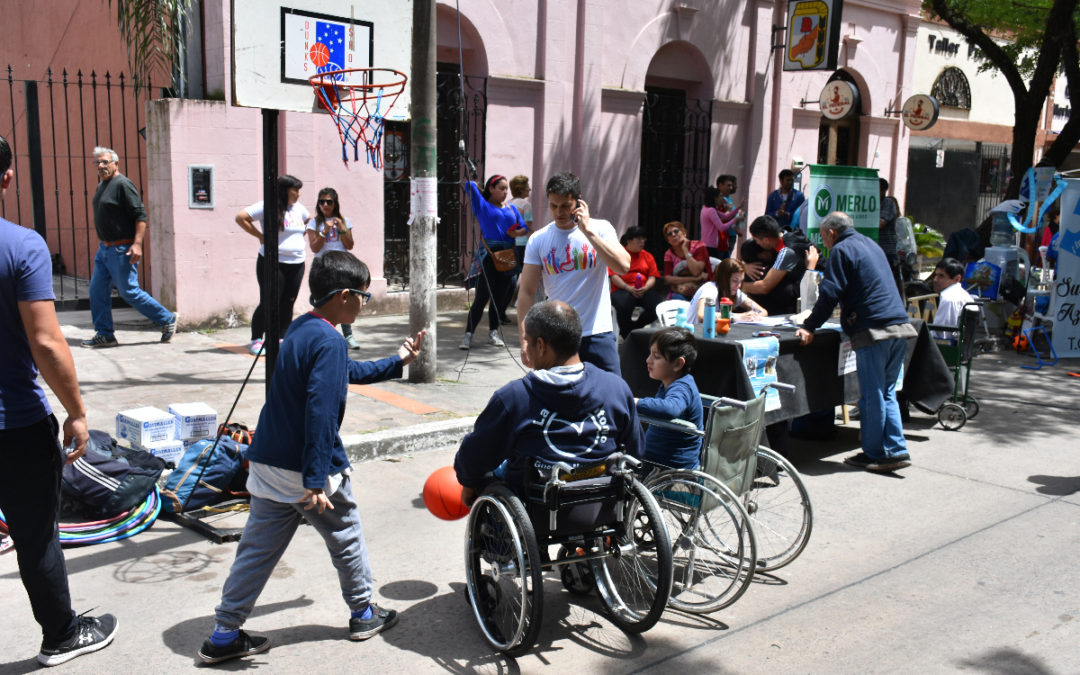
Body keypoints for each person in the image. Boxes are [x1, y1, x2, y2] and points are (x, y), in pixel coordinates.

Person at [198, 251, 424, 665]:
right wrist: (316, 478)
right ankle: (363, 613)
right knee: (346, 536)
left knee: (256, 551)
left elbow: (344, 374)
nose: (364, 304)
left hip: (267, 461)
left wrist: (399, 362)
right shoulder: (330, 339)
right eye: (363, 296)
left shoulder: (303, 328)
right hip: (306, 470)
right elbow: (320, 412)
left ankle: (224, 634)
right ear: (343, 296)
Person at [0, 134, 118, 666]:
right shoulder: (21, 246)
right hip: (16, 424)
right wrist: (76, 411)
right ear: (7, 179)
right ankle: (62, 634)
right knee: (34, 533)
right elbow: (46, 341)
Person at [454, 300, 642, 502]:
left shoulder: (515, 397)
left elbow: (473, 459)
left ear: (541, 345)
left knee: (478, 479)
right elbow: (636, 451)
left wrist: (468, 482)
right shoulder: (616, 388)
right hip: (601, 506)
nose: (526, 351)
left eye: (527, 341)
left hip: (536, 510)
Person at [796, 211, 916, 472]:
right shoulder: (870, 244)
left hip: (873, 329)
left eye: (824, 237)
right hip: (899, 325)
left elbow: (830, 293)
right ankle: (895, 449)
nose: (824, 244)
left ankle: (875, 453)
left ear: (831, 233)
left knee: (872, 395)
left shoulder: (841, 249)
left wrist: (809, 325)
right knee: (886, 393)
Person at [516, 172, 630, 373]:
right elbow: (526, 291)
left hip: (597, 333)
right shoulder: (539, 239)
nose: (559, 212)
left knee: (613, 398)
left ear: (578, 203)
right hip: (557, 336)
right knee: (556, 400)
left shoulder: (601, 229)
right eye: (553, 205)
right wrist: (525, 337)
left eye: (565, 206)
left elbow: (623, 266)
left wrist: (588, 231)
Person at [81, 146, 176, 348]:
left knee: (129, 291)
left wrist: (137, 244)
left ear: (116, 163)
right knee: (97, 290)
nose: (100, 166)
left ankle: (166, 318)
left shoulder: (123, 184)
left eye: (105, 162)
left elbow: (140, 215)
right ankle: (105, 334)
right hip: (104, 249)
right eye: (97, 162)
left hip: (121, 248)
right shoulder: (101, 186)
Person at [236, 174, 311, 355]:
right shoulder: (267, 206)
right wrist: (260, 237)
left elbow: (309, 221)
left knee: (288, 302)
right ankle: (256, 339)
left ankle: (280, 338)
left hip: (296, 263)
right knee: (269, 301)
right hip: (272, 262)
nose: (299, 194)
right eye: (295, 190)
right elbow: (241, 218)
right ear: (285, 191)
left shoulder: (299, 209)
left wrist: (297, 241)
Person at [460, 175, 528, 350]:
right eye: (501, 188)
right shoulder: (483, 206)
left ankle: (493, 333)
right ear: (491, 189)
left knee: (499, 298)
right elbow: (468, 185)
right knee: (482, 297)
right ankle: (468, 335)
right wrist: (477, 183)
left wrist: (517, 233)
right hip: (490, 256)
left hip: (508, 255)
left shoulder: (512, 209)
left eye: (506, 189)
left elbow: (524, 227)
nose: (505, 192)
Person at [635, 327, 703, 470]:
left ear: (678, 364)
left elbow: (670, 408)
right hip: (656, 458)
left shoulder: (682, 387)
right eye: (650, 354)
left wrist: (637, 403)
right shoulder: (673, 383)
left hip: (667, 466)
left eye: (656, 357)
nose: (648, 360)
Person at [307, 187, 359, 349]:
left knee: (343, 299)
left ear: (335, 203)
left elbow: (350, 245)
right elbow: (314, 248)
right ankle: (323, 334)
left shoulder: (344, 221)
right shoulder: (314, 223)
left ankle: (348, 335)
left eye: (328, 201)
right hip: (322, 266)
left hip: (341, 264)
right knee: (322, 300)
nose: (325, 205)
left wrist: (341, 227)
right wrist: (325, 231)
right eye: (321, 202)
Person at [741, 215, 818, 315]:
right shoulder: (781, 236)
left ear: (766, 240)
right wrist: (744, 267)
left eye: (757, 241)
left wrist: (738, 286)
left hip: (812, 291)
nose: (757, 244)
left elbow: (765, 287)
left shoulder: (788, 251)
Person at [609, 226, 665, 338]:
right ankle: (627, 335)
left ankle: (633, 329)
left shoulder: (647, 256)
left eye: (643, 239)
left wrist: (646, 288)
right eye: (638, 239)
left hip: (644, 290)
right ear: (629, 241)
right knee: (624, 306)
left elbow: (652, 277)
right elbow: (614, 276)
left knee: (657, 306)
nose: (642, 242)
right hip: (622, 289)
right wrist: (628, 288)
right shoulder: (618, 254)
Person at [687, 258, 767, 325]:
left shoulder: (735, 292)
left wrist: (754, 316)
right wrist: (738, 317)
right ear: (723, 279)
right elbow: (702, 316)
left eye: (741, 281)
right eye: (735, 281)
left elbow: (763, 311)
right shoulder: (710, 289)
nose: (739, 285)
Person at [661, 221, 712, 301]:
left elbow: (696, 271)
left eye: (676, 231)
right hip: (680, 291)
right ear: (669, 241)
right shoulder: (669, 254)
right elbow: (668, 279)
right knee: (677, 300)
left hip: (702, 290)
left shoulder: (698, 246)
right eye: (670, 234)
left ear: (684, 233)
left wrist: (685, 250)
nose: (673, 235)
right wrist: (694, 279)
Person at [931, 257, 975, 341]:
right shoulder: (963, 295)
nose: (935, 280)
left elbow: (941, 334)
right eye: (935, 275)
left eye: (941, 276)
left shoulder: (949, 298)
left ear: (957, 279)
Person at [877, 177, 904, 298]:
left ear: (882, 191)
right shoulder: (868, 201)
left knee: (885, 279)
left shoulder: (888, 203)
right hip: (872, 248)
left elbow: (881, 223)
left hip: (886, 249)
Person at [700, 187, 743, 260]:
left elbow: (726, 216)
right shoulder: (711, 211)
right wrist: (735, 219)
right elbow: (722, 227)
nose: (722, 198)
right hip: (711, 245)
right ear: (714, 198)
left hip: (708, 244)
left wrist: (738, 208)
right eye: (720, 196)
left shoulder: (707, 208)